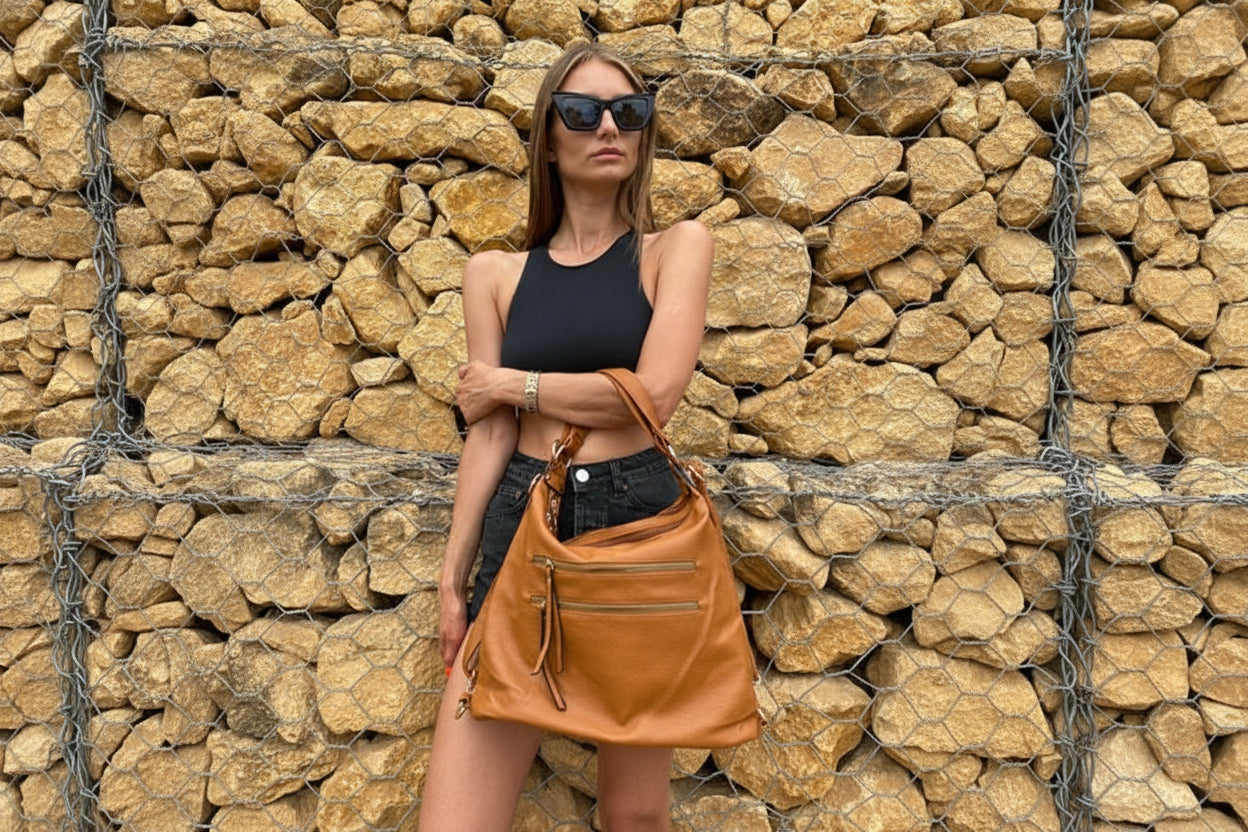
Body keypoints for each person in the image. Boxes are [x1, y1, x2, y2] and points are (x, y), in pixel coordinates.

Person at [417, 42, 713, 832]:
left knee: (634, 816)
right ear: (549, 137)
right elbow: (488, 438)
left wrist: (514, 384)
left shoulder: (673, 249)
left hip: (638, 523)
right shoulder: (495, 274)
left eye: (630, 111)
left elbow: (651, 397)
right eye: (581, 112)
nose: (608, 126)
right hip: (521, 520)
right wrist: (452, 580)